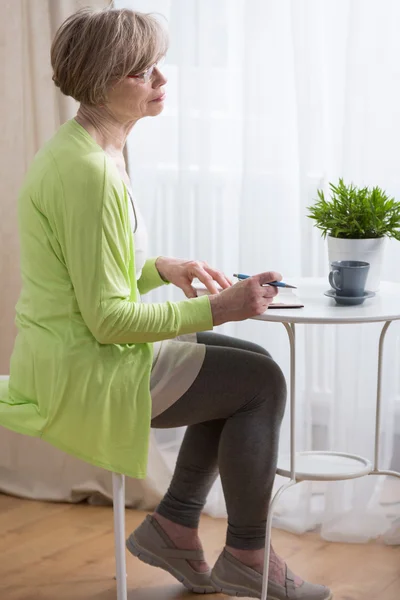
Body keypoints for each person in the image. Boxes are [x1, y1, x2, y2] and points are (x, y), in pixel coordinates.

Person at [2, 7, 332, 600]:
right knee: (258, 383)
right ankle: (245, 556)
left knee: (242, 373)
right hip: (87, 371)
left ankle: (177, 527)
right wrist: (220, 307)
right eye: (140, 71)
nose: (161, 78)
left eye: (156, 64)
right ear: (100, 79)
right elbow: (107, 321)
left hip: (63, 355)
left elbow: (88, 277)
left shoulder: (84, 150)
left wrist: (159, 268)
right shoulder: (91, 174)